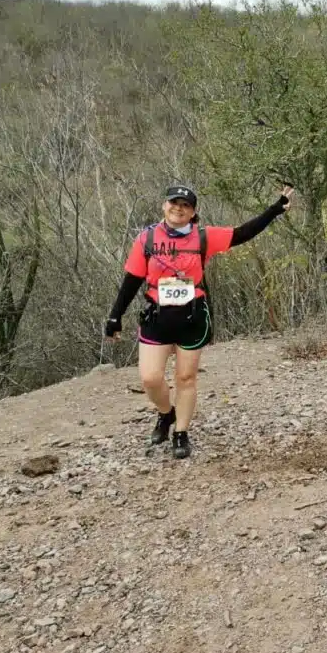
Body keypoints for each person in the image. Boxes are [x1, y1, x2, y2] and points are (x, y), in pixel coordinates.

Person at [104, 183, 294, 458]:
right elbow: (132, 279)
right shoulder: (146, 239)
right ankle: (166, 413)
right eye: (174, 203)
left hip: (192, 315)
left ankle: (181, 432)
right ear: (164, 205)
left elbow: (243, 233)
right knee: (150, 378)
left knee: (185, 377)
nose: (178, 209)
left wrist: (275, 210)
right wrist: (114, 316)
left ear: (193, 212)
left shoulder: (204, 237)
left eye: (185, 205)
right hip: (158, 315)